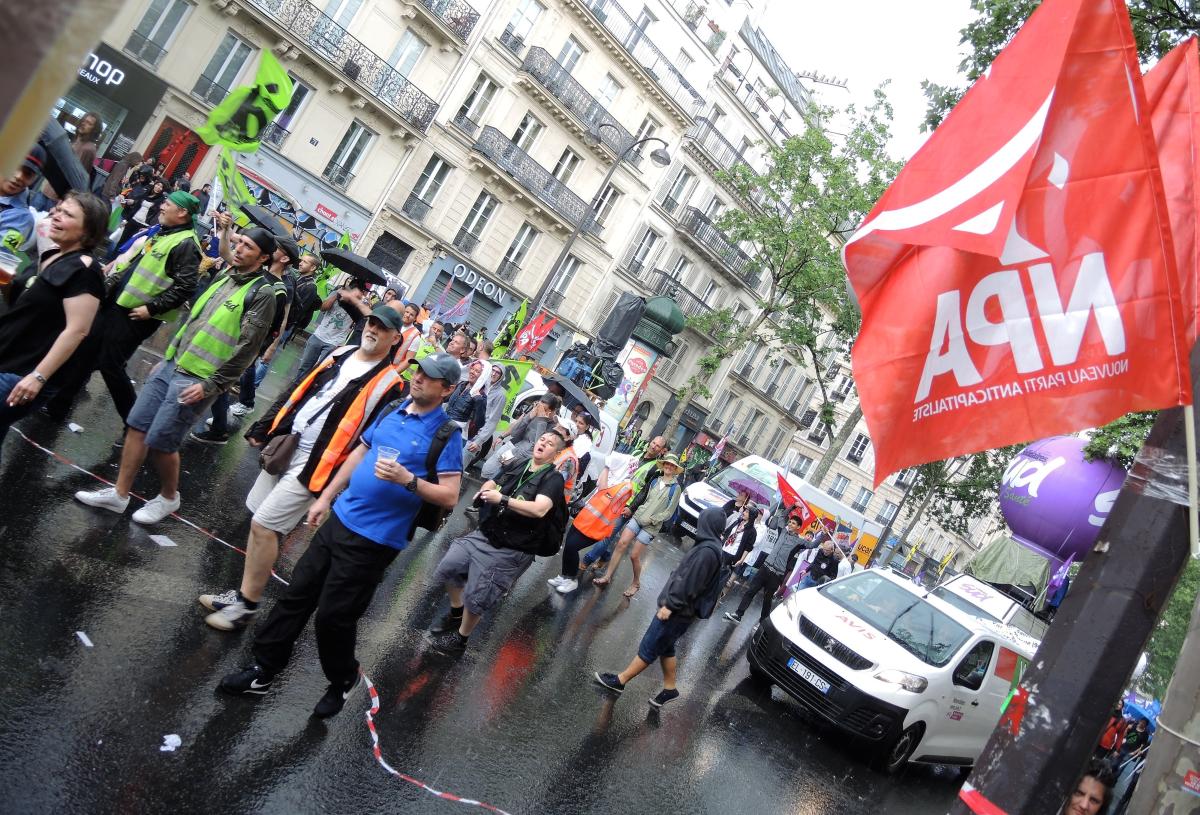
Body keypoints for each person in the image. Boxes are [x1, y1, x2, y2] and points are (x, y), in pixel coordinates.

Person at [218, 353, 463, 717]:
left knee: (333, 617)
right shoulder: (394, 407)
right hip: (341, 519)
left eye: (431, 377)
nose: (420, 379)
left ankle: (344, 677)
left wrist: (407, 480)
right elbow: (360, 452)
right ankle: (263, 670)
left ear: (448, 389)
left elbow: (450, 495)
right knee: (297, 595)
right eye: (420, 371)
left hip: (376, 540)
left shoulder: (447, 434)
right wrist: (327, 497)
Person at [198, 305, 407, 630]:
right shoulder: (342, 352)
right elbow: (299, 389)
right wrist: (265, 426)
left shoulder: (391, 384)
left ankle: (247, 606)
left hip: (318, 466)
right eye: (371, 322)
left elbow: (369, 442)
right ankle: (241, 596)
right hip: (289, 444)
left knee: (265, 526)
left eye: (382, 328)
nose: (373, 329)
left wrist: (336, 489)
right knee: (257, 520)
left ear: (395, 338)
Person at [74, 227, 277, 523]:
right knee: (137, 426)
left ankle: (169, 497)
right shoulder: (225, 276)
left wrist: (213, 385)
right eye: (240, 242)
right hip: (173, 365)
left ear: (263, 258)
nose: (239, 248)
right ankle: (119, 494)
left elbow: (248, 349)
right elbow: (194, 321)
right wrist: (168, 358)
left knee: (161, 442)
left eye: (248, 246)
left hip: (198, 378)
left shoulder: (263, 294)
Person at [40, 190, 201, 421]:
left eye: (167, 203)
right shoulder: (165, 233)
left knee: (110, 365)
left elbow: (186, 287)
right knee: (85, 352)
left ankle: (133, 421)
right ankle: (58, 407)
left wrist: (152, 309)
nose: (162, 206)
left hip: (136, 316)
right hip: (117, 305)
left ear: (182, 212)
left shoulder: (186, 244)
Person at [427, 430, 568, 654]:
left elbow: (540, 509)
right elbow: (493, 481)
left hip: (513, 548)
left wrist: (502, 499)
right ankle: (456, 611)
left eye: (550, 444)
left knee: (477, 596)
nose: (543, 444)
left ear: (557, 453)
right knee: (449, 566)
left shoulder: (553, 478)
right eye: (542, 439)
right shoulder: (521, 463)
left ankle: (460, 640)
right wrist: (485, 491)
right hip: (488, 532)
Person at [0, 192, 109, 442]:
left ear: (87, 231)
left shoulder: (85, 270)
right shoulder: (54, 255)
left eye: (68, 214)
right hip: (9, 358)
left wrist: (38, 377)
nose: (56, 216)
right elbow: (26, 306)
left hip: (23, 374)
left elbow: (77, 330)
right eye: (58, 210)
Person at [594, 507, 726, 708]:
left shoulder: (708, 551)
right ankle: (670, 688)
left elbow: (691, 583)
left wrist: (670, 606)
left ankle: (620, 681)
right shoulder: (710, 547)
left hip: (677, 611)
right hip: (682, 611)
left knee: (650, 646)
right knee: (666, 647)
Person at [578, 454, 684, 598]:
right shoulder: (655, 480)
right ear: (663, 464)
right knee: (621, 544)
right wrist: (636, 510)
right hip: (637, 518)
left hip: (651, 526)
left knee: (634, 556)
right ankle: (607, 577)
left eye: (672, 465)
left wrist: (652, 519)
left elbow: (669, 512)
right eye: (667, 464)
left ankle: (636, 583)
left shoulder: (675, 488)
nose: (668, 467)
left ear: (676, 468)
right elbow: (643, 496)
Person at [724, 509, 814, 623]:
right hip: (765, 568)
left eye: (794, 523)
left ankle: (763, 622)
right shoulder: (782, 532)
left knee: (767, 599)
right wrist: (792, 507)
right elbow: (782, 517)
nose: (790, 524)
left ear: (798, 527)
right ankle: (738, 614)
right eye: (790, 522)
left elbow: (813, 545)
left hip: (776, 574)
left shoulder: (800, 542)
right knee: (751, 591)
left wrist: (824, 534)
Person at [294, 279, 370, 380]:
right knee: (303, 368)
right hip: (319, 335)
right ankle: (295, 388)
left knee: (321, 371)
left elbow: (362, 321)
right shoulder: (337, 294)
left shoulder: (360, 305)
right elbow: (323, 308)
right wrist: (336, 295)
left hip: (334, 343)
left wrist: (359, 302)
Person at [479, 393, 560, 480]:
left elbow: (539, 444)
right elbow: (514, 432)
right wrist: (529, 417)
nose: (540, 411)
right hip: (516, 449)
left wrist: (542, 420)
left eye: (543, 409)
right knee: (488, 468)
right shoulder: (534, 413)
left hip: (526, 459)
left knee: (500, 478)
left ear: (551, 411)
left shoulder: (554, 426)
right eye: (540, 407)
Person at [0, 146, 46, 254]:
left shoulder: (22, 220)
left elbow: (3, 254)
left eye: (28, 174)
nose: (19, 176)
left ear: (34, 179)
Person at [465, 363, 505, 468]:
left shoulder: (500, 395)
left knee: (458, 467)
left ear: (501, 376)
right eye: (493, 370)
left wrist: (479, 441)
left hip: (476, 435)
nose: (494, 374)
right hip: (464, 428)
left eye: (498, 372)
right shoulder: (481, 384)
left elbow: (493, 421)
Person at [117, 179, 165, 248]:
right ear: (155, 184)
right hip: (133, 220)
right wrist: (126, 220)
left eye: (161, 187)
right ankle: (110, 258)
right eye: (157, 185)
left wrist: (149, 227)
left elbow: (155, 216)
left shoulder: (161, 200)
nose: (158, 187)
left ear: (163, 189)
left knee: (130, 245)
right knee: (121, 241)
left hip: (143, 225)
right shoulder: (147, 193)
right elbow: (136, 207)